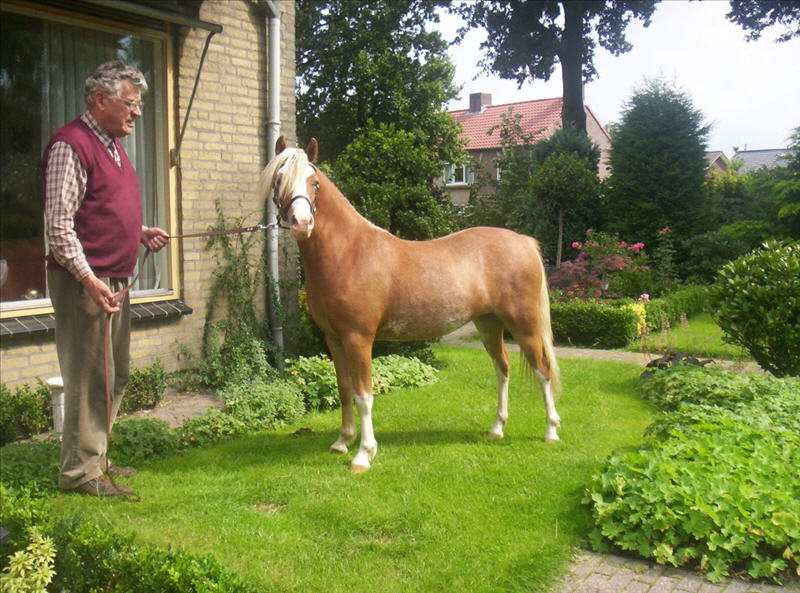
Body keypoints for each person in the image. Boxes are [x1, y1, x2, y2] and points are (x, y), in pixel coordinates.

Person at [43, 61, 169, 497]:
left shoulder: (114, 147)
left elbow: (98, 210)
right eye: (131, 105)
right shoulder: (71, 144)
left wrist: (139, 233)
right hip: (86, 283)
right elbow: (60, 226)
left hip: (113, 278)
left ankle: (96, 457)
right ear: (101, 100)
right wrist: (88, 279)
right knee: (88, 376)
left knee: (115, 375)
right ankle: (80, 474)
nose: (137, 114)